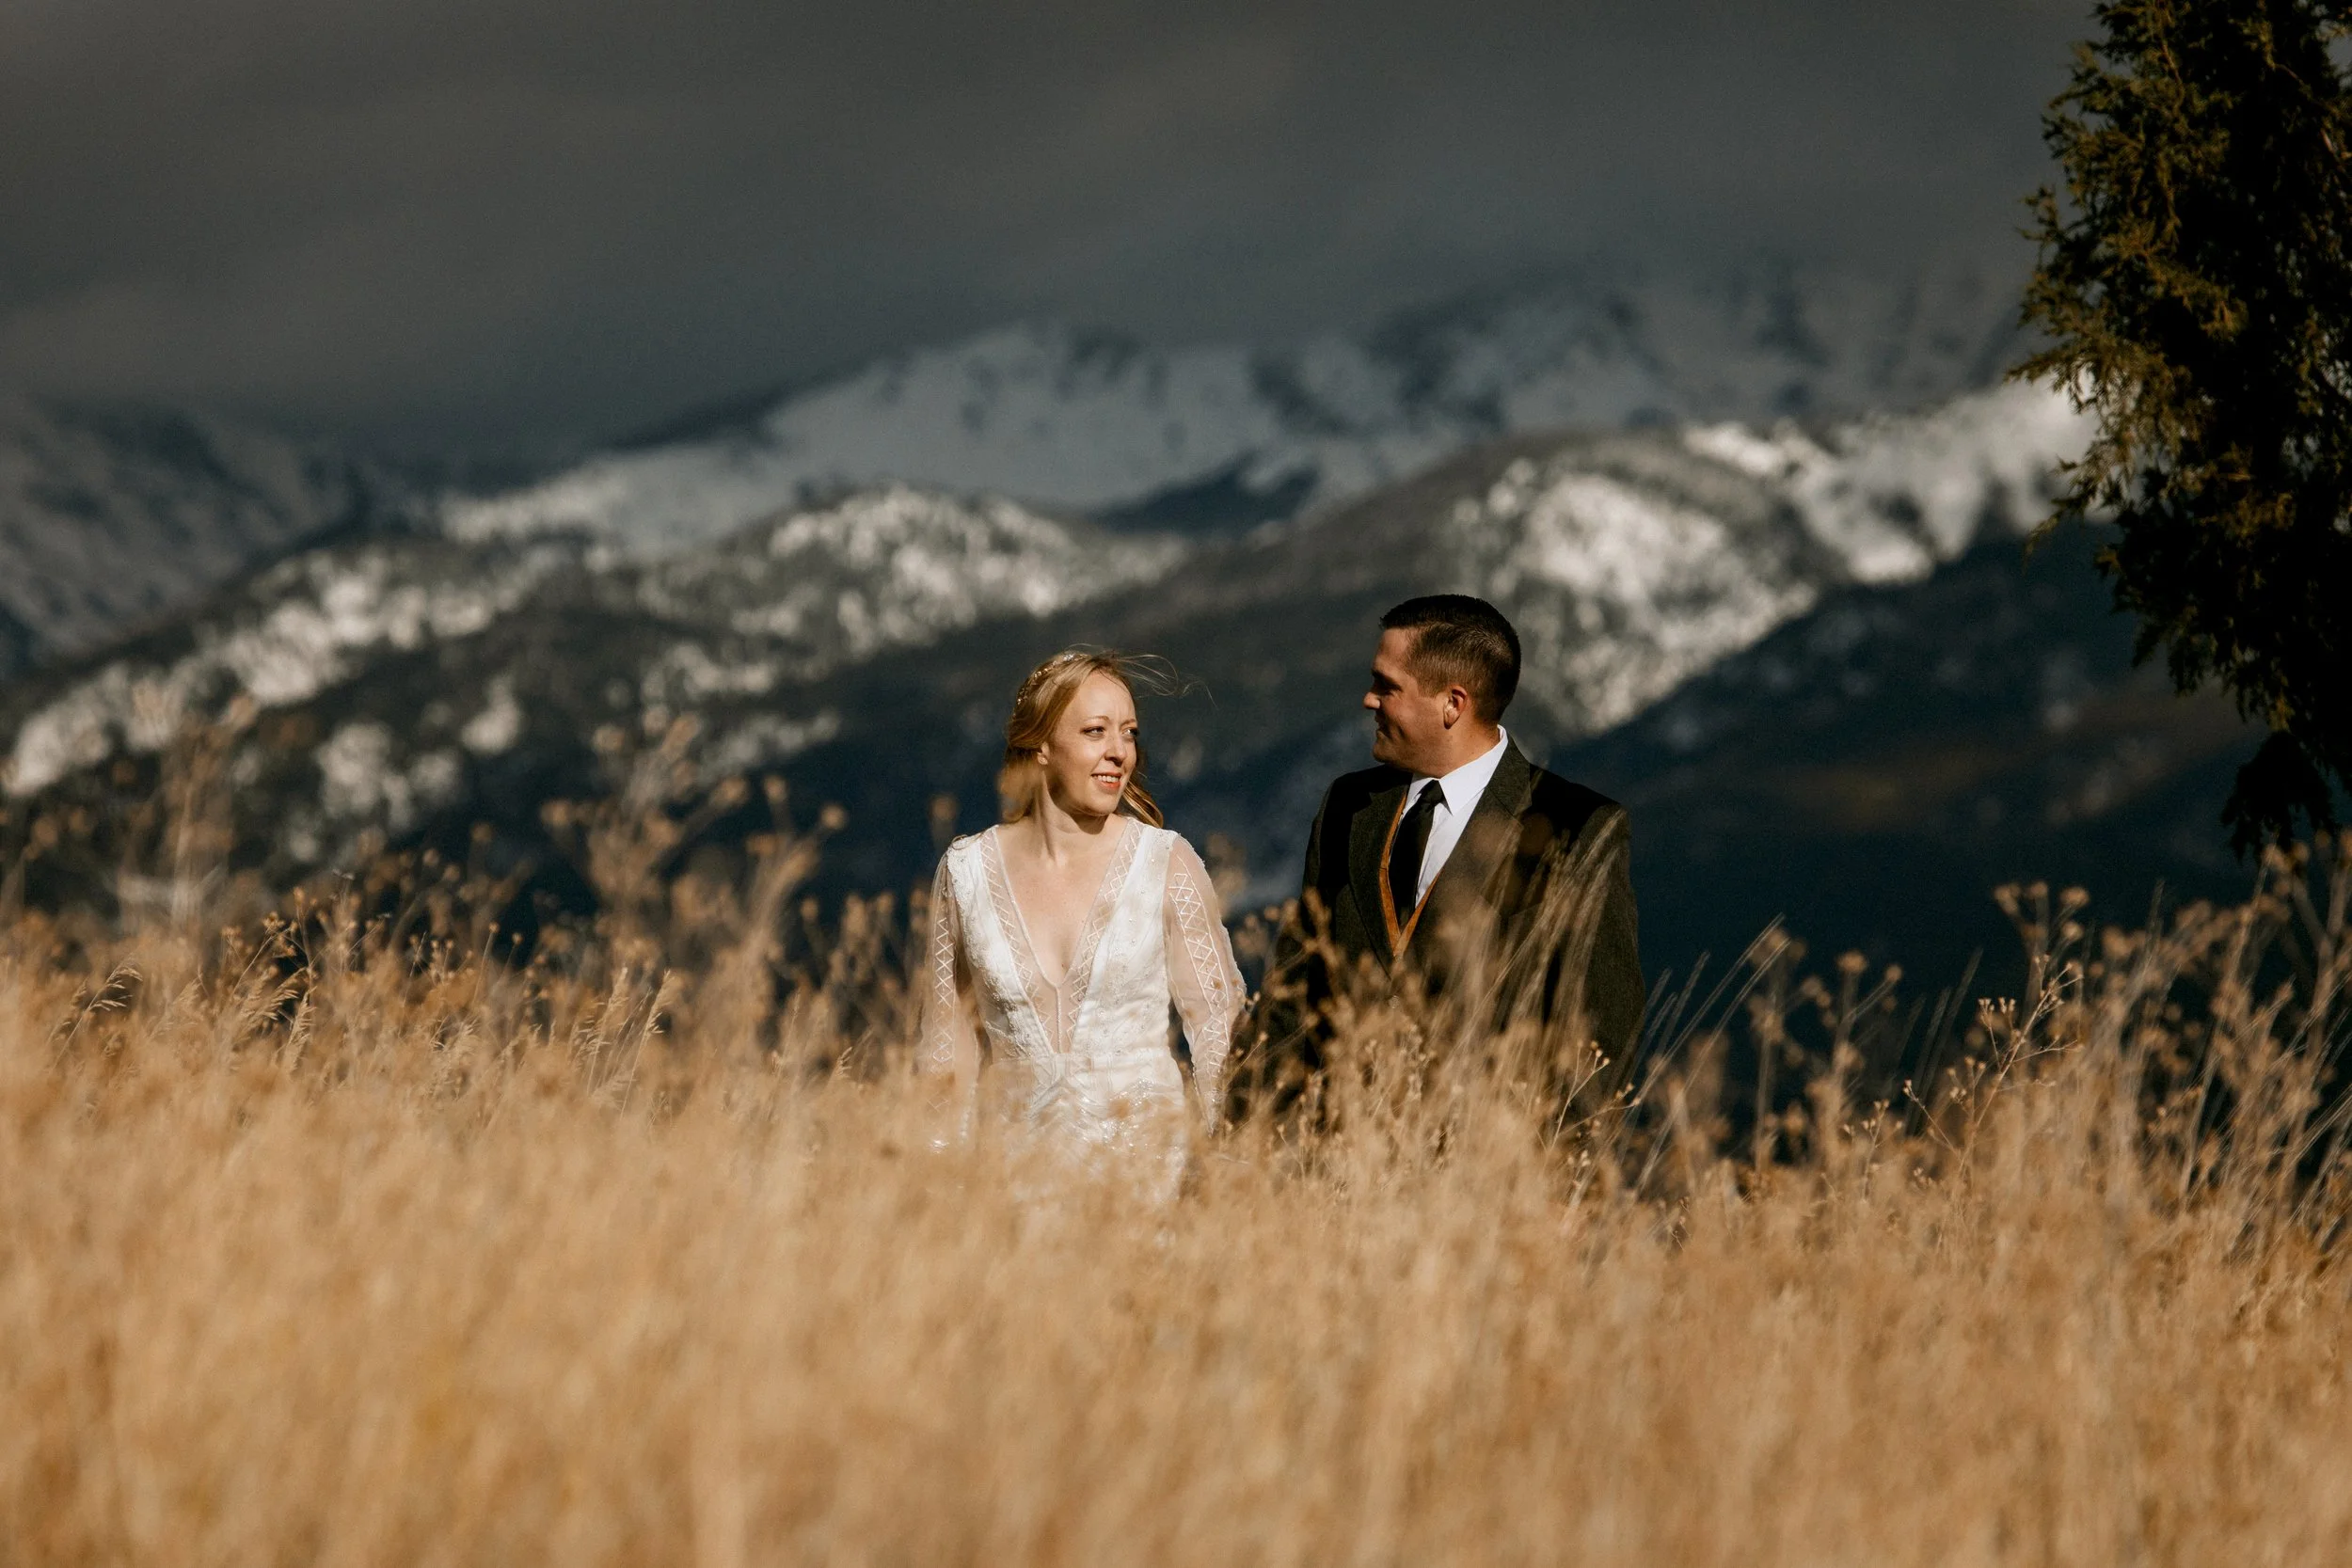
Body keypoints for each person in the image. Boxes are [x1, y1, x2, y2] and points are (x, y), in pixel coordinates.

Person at [1235, 594, 1645, 1129]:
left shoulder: (1577, 826)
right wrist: (1245, 1142)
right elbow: (1295, 991)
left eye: (1387, 686)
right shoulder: (1347, 806)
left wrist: (1554, 1190)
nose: (1369, 699)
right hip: (1333, 1168)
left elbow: (1600, 1041)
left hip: (1480, 1184)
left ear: (1453, 703)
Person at [918, 649, 1246, 1163]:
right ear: (1042, 745)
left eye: (1129, 732)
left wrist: (1221, 1166)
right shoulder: (965, 873)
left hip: (1146, 1189)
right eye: (1096, 731)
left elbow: (1218, 1033)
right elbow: (947, 1045)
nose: (1120, 751)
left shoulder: (1166, 864)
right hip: (1009, 1194)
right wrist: (941, 1180)